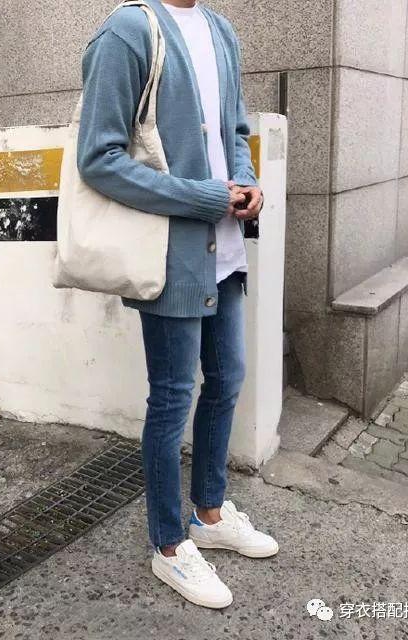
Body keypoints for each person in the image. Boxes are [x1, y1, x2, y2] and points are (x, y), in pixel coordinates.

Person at [76, 0, 278, 609]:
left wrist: (247, 182)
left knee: (227, 380)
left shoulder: (220, 30)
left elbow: (235, 131)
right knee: (171, 399)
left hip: (225, 248)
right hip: (170, 255)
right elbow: (99, 157)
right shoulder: (128, 31)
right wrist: (202, 198)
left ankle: (209, 514)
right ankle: (168, 545)